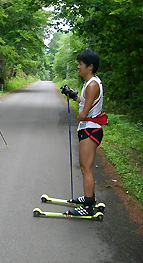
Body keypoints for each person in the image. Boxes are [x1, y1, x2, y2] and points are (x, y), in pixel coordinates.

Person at [61, 49, 107, 216]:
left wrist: (79, 115)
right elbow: (85, 101)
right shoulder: (90, 83)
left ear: (90, 66)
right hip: (88, 128)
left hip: (90, 129)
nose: (78, 66)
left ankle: (88, 206)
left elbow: (83, 113)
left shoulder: (93, 84)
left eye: (81, 63)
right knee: (84, 167)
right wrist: (72, 95)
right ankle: (89, 198)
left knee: (86, 168)